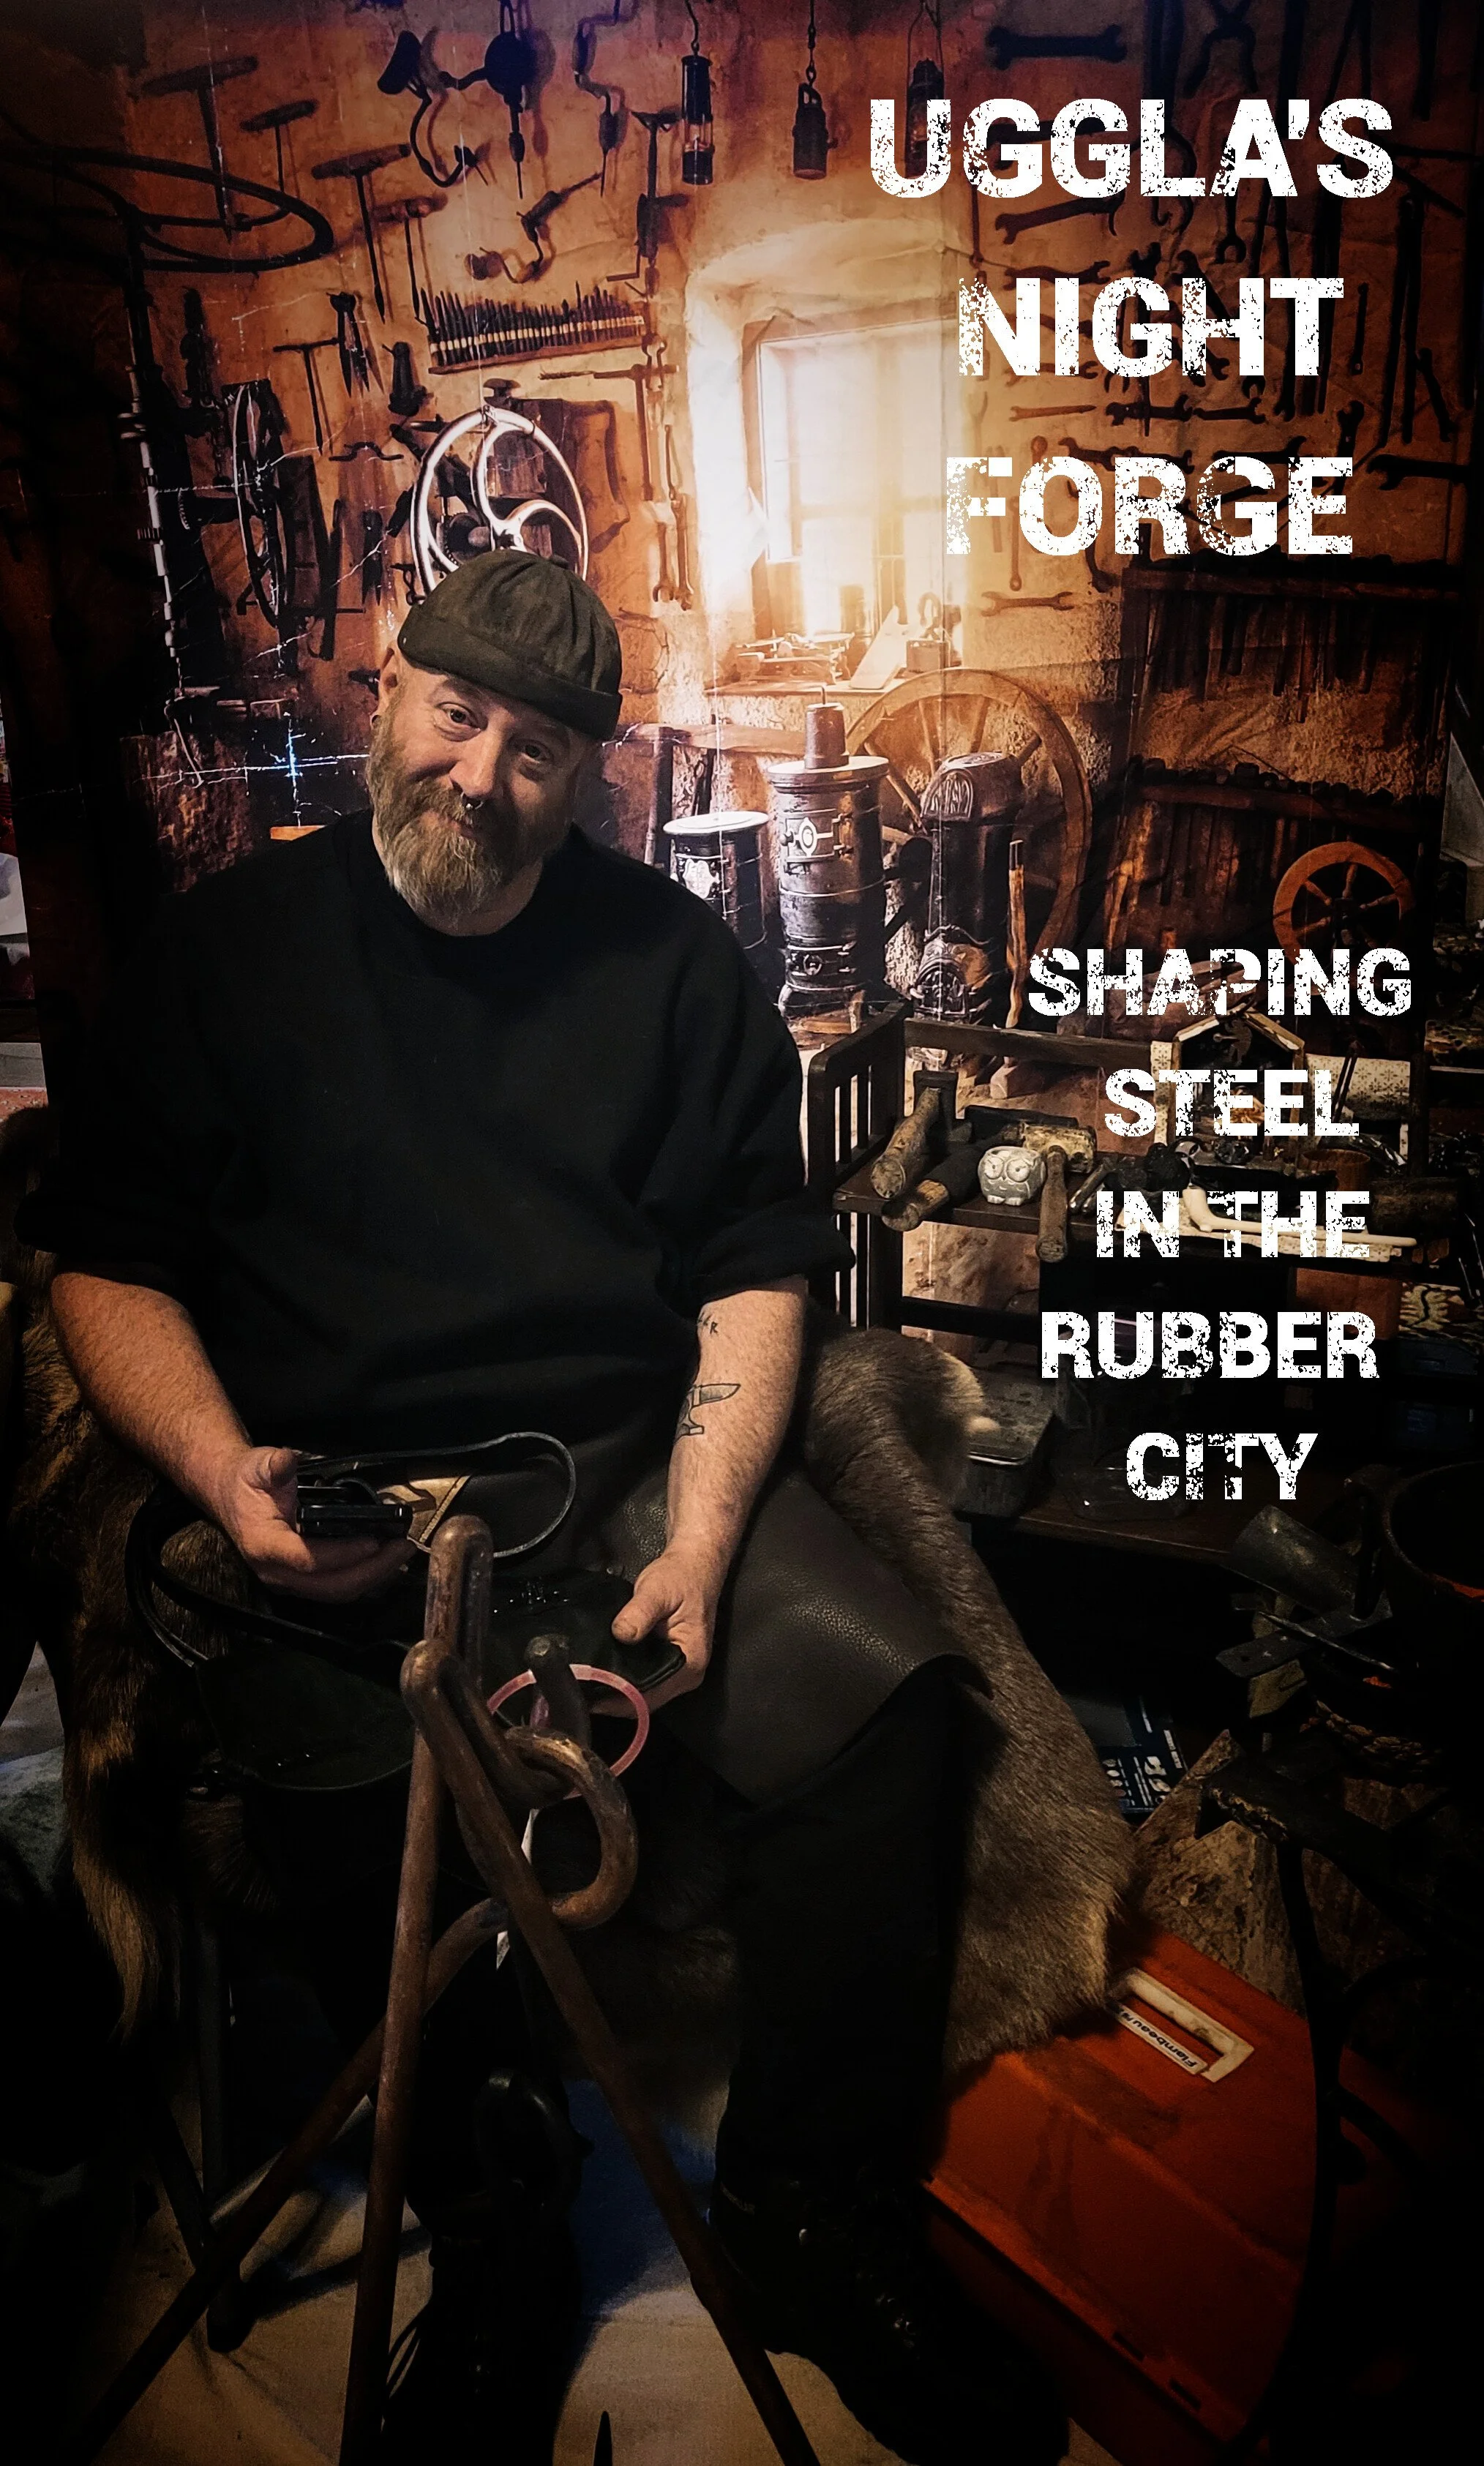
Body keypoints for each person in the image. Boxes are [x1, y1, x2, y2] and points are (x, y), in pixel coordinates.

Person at [20, 552, 1065, 2464]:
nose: (485, 773)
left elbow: (754, 1270)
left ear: (596, 772)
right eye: (457, 714)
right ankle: (494, 2237)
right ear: (385, 698)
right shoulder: (228, 955)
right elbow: (104, 1259)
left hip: (612, 1474)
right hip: (340, 1510)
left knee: (888, 1721)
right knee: (359, 1808)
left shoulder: (671, 971)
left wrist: (697, 1529)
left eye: (543, 746)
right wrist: (221, 1477)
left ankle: (808, 2214)